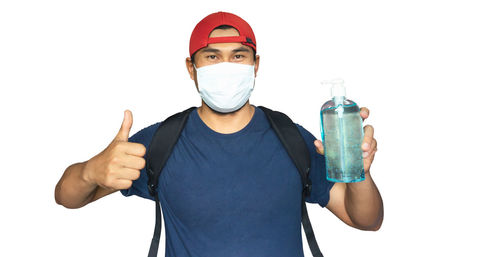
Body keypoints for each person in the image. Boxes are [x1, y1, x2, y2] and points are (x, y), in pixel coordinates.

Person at [55, 11, 383, 257]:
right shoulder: (160, 143)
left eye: (238, 56)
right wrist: (89, 170)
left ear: (255, 65)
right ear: (191, 67)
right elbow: (67, 197)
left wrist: (360, 174)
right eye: (212, 56)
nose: (226, 66)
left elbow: (365, 219)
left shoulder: (292, 140)